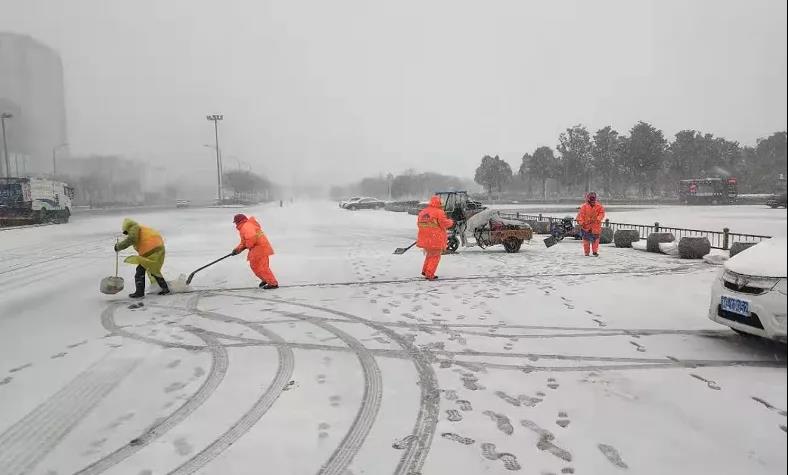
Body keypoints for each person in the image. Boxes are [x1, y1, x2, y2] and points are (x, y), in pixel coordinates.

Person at [114, 218, 169, 298]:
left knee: (141, 271)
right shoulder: (139, 228)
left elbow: (131, 239)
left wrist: (119, 246)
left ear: (127, 227)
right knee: (152, 270)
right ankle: (164, 288)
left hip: (152, 250)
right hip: (154, 250)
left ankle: (140, 292)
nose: (127, 234)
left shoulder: (133, 227)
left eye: (126, 232)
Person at [232, 214, 278, 289]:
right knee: (254, 266)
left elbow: (251, 237)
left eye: (235, 222)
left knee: (262, 267)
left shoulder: (246, 226)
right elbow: (244, 242)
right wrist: (237, 250)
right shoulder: (244, 227)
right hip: (255, 248)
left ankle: (273, 283)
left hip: (260, 247)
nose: (235, 224)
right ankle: (265, 279)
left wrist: (248, 245)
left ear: (238, 221)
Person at [416, 196, 454, 280]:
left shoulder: (423, 212)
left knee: (429, 255)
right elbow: (444, 223)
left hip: (425, 238)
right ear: (439, 203)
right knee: (435, 256)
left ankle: (425, 270)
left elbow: (419, 224)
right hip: (435, 238)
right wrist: (451, 222)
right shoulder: (439, 212)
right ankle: (429, 274)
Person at [576, 192, 606, 257]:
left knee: (595, 240)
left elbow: (602, 214)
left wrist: (598, 219)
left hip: (595, 227)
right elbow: (580, 216)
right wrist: (582, 222)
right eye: (591, 198)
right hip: (586, 227)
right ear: (588, 199)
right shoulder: (584, 207)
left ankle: (595, 252)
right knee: (586, 241)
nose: (592, 199)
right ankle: (586, 252)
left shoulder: (599, 206)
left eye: (593, 198)